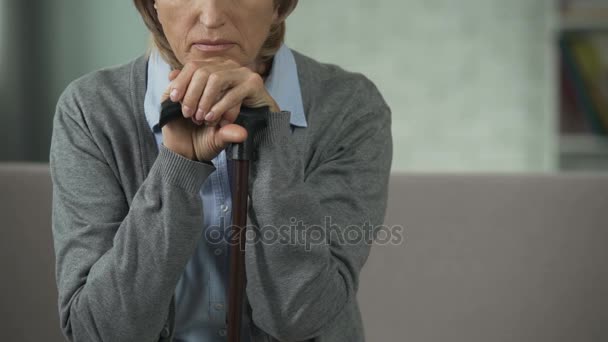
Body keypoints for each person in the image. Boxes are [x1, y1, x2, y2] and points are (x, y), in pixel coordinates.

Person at [49, 0, 393, 341]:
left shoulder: (349, 106)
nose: (211, 18)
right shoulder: (91, 110)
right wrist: (177, 170)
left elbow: (300, 317)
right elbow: (97, 332)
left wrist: (272, 143)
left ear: (279, 5)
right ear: (152, 5)